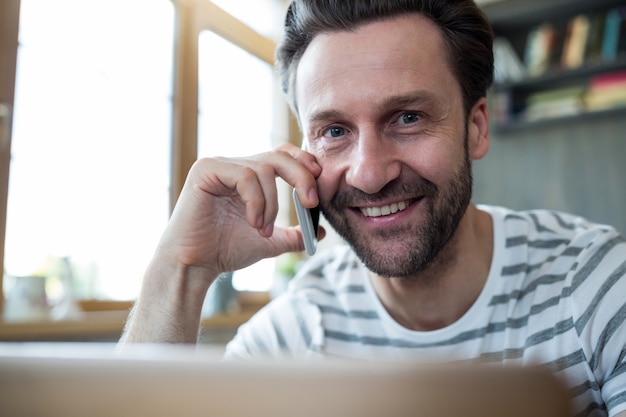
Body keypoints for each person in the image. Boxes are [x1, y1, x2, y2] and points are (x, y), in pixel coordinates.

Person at [120, 0, 626, 415]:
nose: (369, 172)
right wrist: (181, 270)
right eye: (335, 131)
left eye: (408, 117)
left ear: (476, 128)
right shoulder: (301, 328)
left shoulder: (596, 284)